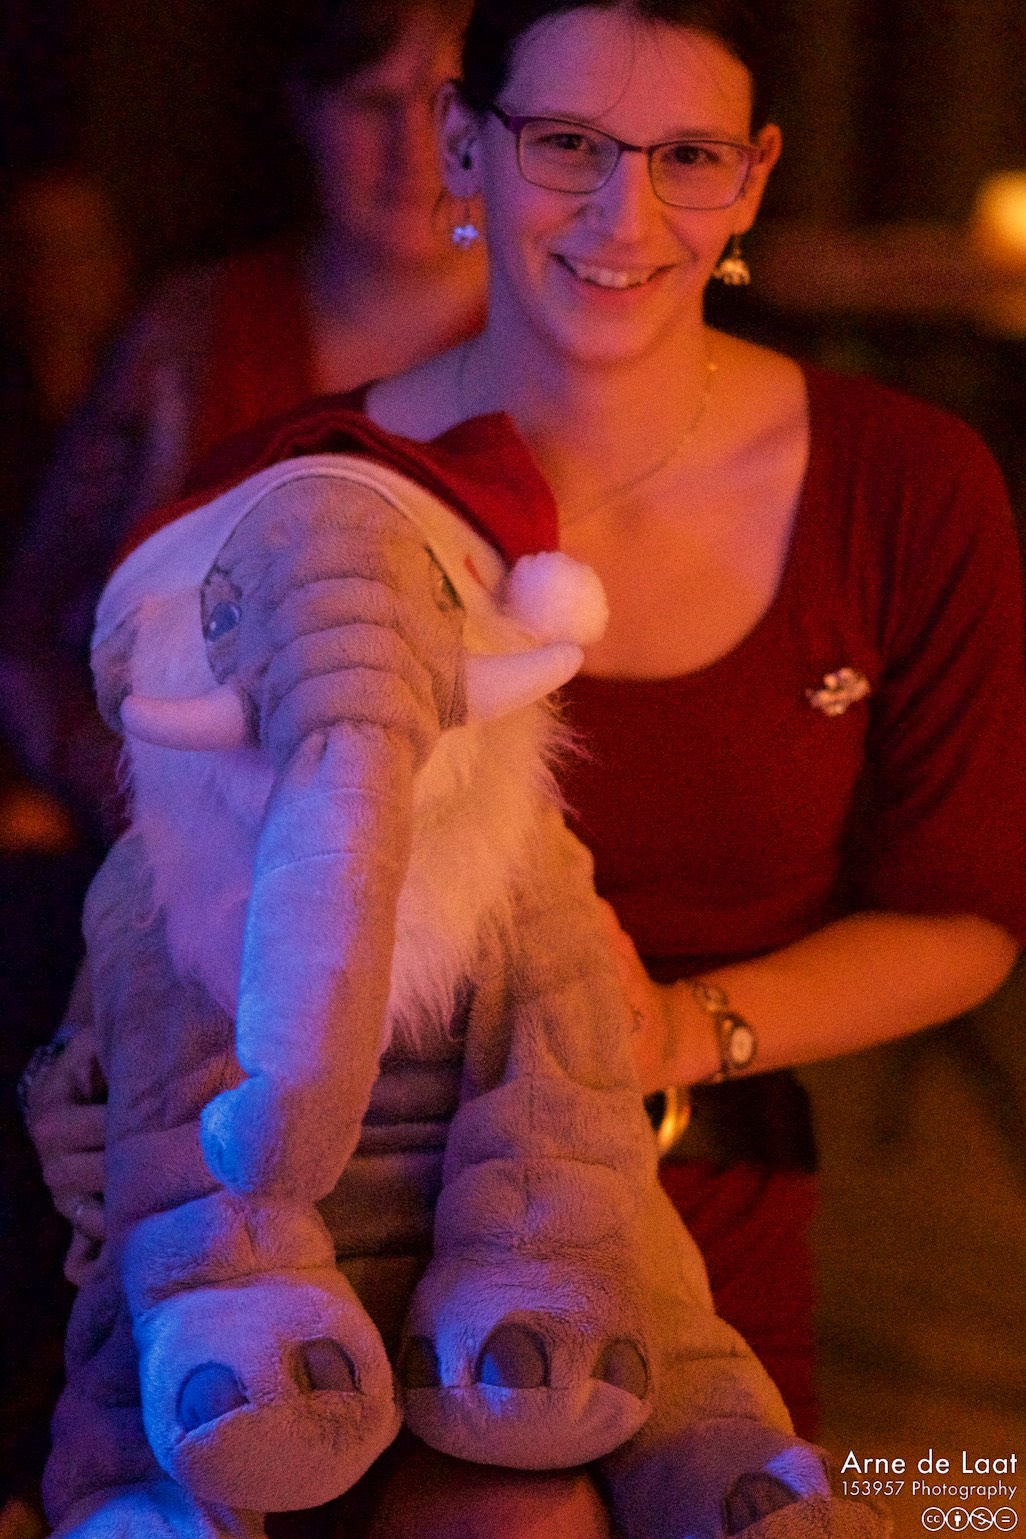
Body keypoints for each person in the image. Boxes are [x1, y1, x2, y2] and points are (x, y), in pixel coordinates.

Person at [22, 0, 1026, 1533]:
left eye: (685, 155)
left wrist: (676, 1031)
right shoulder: (299, 500)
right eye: (565, 143)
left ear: (752, 178)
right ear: (462, 144)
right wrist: (85, 1083)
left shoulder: (907, 485)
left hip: (696, 1246)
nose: (623, 212)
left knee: (861, 1507)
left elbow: (965, 916)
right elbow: (169, 886)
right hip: (314, 1250)